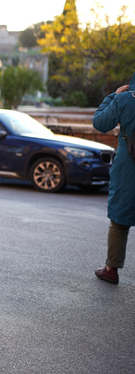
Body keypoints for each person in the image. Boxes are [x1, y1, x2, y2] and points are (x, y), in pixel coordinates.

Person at [92, 73, 135, 284]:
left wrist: (113, 96)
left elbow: (100, 123)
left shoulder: (126, 98)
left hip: (129, 168)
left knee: (120, 219)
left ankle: (111, 269)